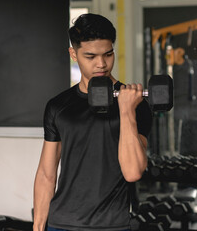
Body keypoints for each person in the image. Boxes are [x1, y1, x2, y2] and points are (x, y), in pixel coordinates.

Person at [33, 13, 153, 231]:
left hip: (111, 225)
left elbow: (134, 172)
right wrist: (39, 225)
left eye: (108, 54)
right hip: (61, 223)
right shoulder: (58, 106)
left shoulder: (135, 103)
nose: (101, 64)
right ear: (73, 54)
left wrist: (126, 111)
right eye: (90, 56)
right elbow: (46, 173)